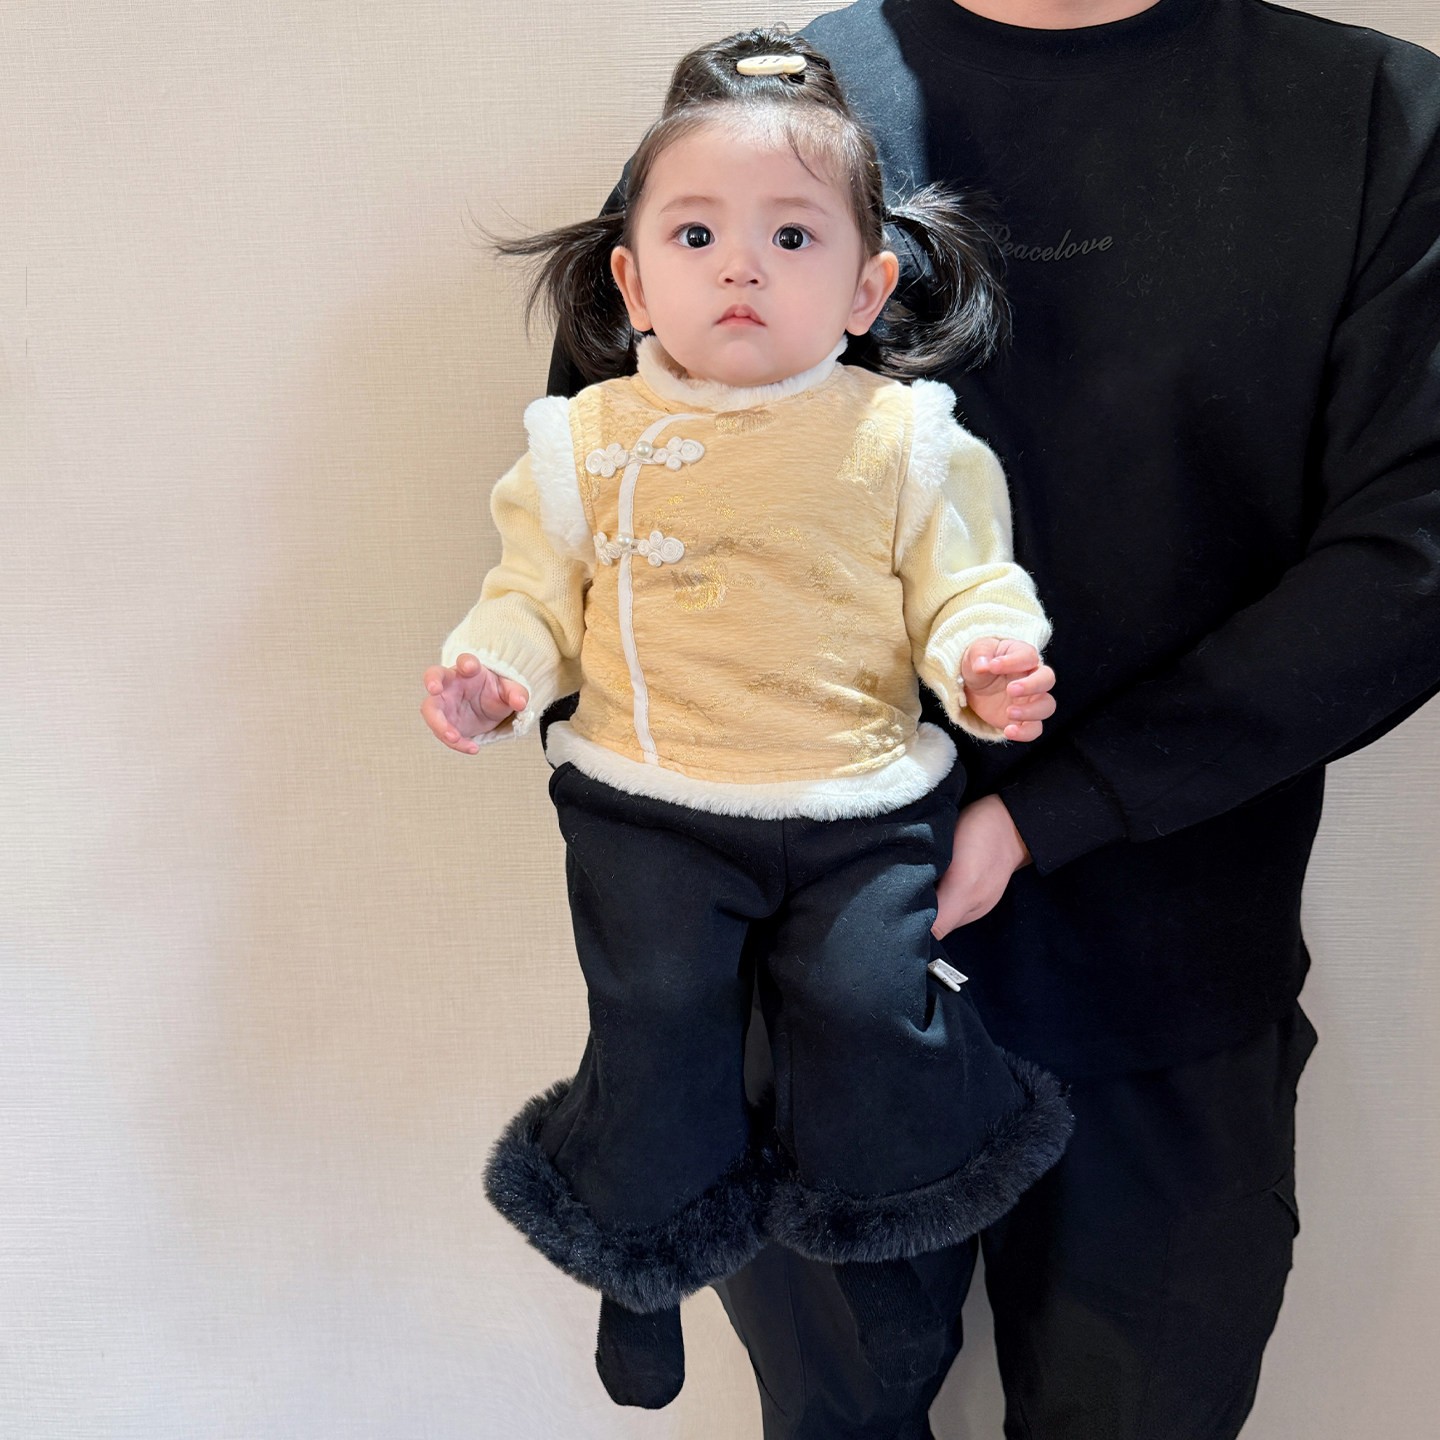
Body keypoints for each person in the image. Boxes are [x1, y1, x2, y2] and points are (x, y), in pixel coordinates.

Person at [542, 1, 1440, 1437]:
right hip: (804, 985)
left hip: (1174, 981)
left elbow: (1410, 568)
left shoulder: (1377, 119)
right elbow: (603, 518)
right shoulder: (780, 104)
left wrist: (1046, 814)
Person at [420, 29, 1076, 1414]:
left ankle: (902, 1218)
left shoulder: (906, 441)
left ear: (866, 285)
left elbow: (966, 586)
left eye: (791, 236)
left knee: (865, 1011)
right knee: (659, 1022)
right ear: (632, 280)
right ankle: (639, 1262)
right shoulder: (586, 443)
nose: (741, 268)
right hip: (649, 802)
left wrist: (988, 661)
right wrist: (493, 671)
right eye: (697, 234)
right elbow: (532, 596)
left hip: (857, 806)